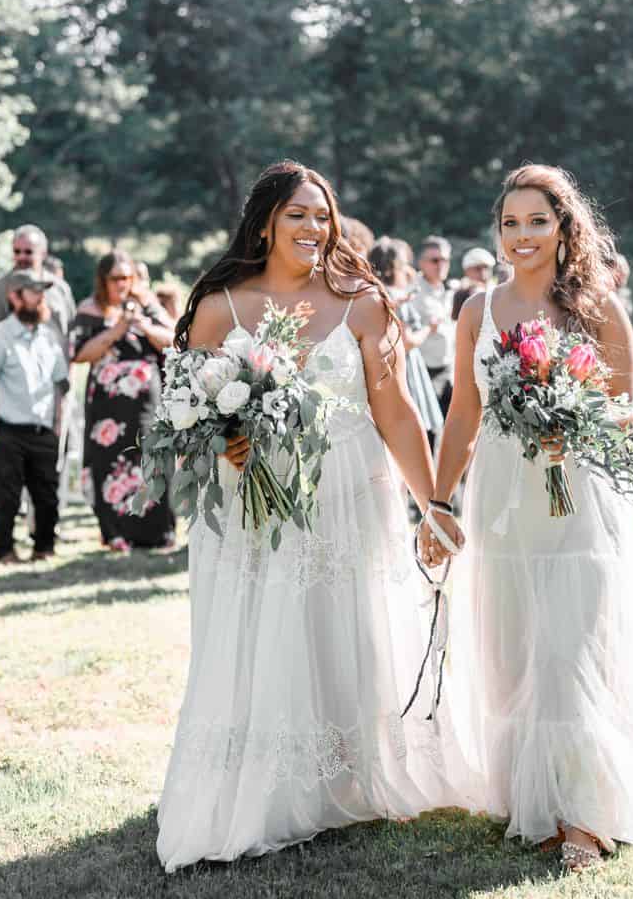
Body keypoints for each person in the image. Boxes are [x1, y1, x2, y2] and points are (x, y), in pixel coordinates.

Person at [155, 161, 475, 873]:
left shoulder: (362, 301)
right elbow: (184, 421)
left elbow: (395, 413)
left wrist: (435, 503)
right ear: (266, 220)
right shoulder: (220, 306)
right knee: (268, 628)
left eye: (322, 214)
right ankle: (267, 785)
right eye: (298, 213)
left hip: (350, 497)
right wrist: (224, 441)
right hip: (256, 504)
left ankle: (349, 775)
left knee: (345, 622)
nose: (313, 227)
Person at [432, 164, 633, 870]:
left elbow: (628, 415)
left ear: (566, 226)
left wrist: (579, 424)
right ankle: (538, 795)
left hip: (580, 500)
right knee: (516, 654)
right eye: (510, 223)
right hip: (506, 502)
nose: (522, 235)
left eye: (537, 220)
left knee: (570, 651)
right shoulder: (477, 310)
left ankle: (586, 817)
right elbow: (463, 414)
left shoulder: (598, 307)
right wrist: (441, 502)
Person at [69, 250, 176, 551]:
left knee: (151, 456)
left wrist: (144, 326)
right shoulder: (90, 309)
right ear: (103, 280)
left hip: (145, 401)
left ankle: (158, 530)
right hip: (108, 407)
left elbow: (174, 337)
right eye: (116, 279)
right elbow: (79, 354)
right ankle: (114, 531)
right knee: (109, 460)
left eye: (127, 278)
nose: (122, 284)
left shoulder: (146, 303)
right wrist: (116, 330)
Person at [0, 270, 69, 564]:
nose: (41, 297)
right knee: (8, 497)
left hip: (43, 431)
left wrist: (57, 426)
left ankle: (44, 549)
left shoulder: (50, 338)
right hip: (9, 432)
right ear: (15, 297)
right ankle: (4, 552)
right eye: (34, 291)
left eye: (43, 291)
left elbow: (59, 386)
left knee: (47, 496)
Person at [371, 237, 444, 444]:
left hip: (383, 370)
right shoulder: (397, 298)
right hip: (407, 370)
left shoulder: (375, 295)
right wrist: (430, 328)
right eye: (404, 264)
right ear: (395, 266)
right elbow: (408, 341)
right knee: (417, 430)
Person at [410, 234, 456, 419]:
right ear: (421, 263)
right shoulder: (413, 292)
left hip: (447, 369)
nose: (441, 265)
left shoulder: (446, 291)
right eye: (435, 260)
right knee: (427, 432)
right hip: (423, 372)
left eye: (444, 259)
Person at [452, 246, 495, 320]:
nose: (483, 273)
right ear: (467, 271)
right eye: (477, 269)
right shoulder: (460, 294)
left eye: (486, 268)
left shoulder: (498, 291)